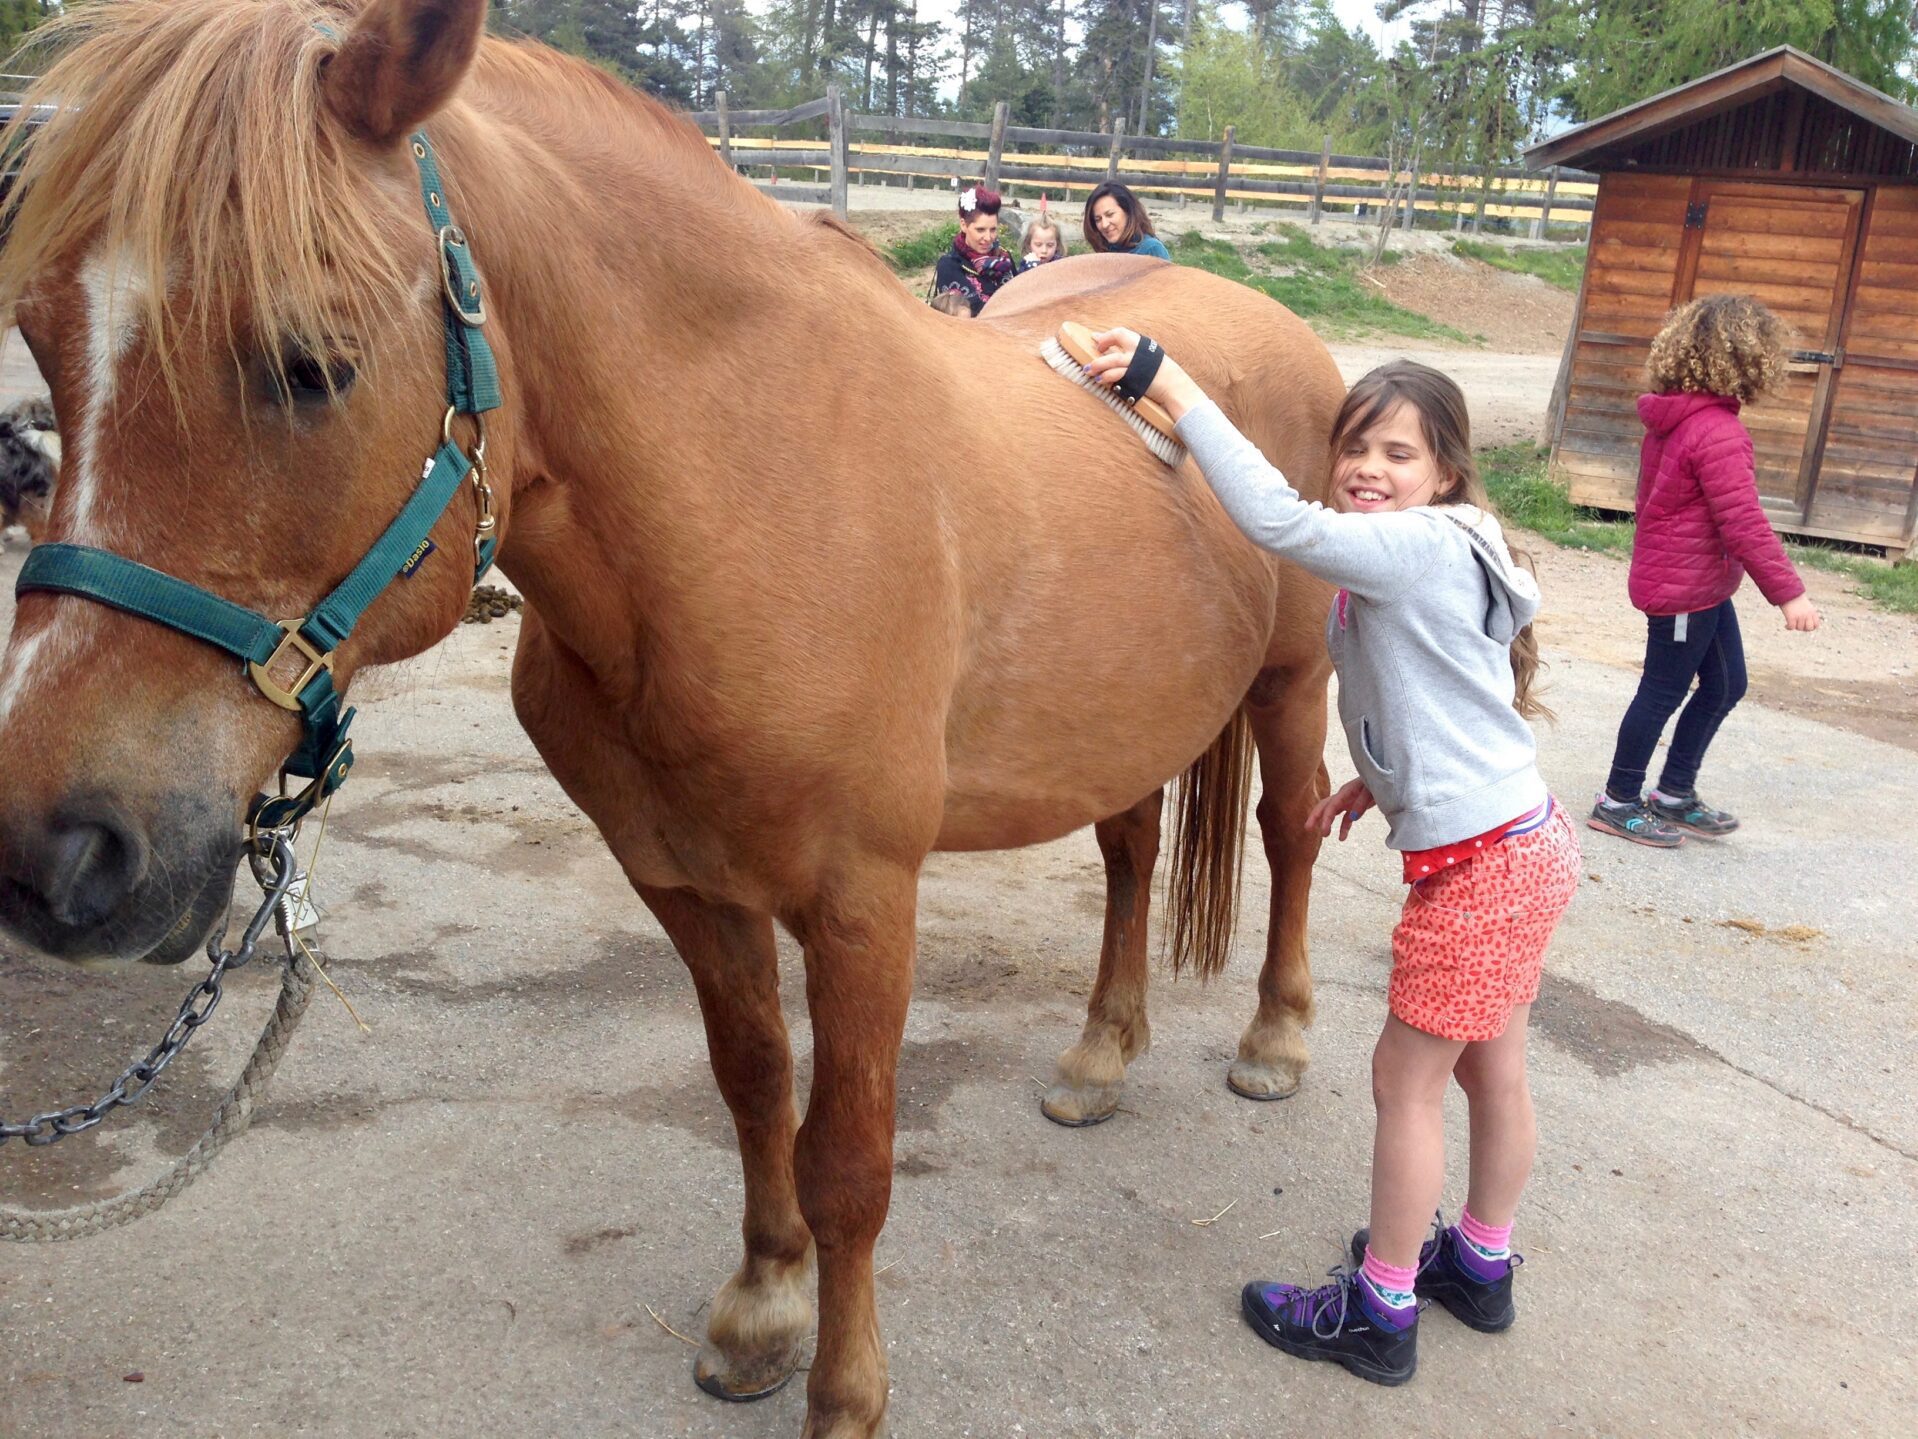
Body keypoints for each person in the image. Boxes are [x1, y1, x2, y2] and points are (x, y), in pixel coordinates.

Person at [1083, 336, 1579, 1387]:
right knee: (1492, 1069)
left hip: (1481, 868)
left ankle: (1380, 1305)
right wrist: (1386, 779)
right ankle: (1479, 1265)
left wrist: (1166, 384)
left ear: (1444, 470)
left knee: (1404, 1082)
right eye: (1354, 445)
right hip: (1521, 840)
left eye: (1397, 452)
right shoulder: (1452, 538)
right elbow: (1448, 691)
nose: (1366, 468)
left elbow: (1275, 521)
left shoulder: (1412, 543)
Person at [1589, 294, 1820, 848]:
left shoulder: (1680, 419)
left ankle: (1673, 793)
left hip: (1700, 582)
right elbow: (1744, 524)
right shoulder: (1716, 432)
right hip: (1684, 589)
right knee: (1662, 691)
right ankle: (1618, 801)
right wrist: (1789, 595)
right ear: (1745, 359)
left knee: (1725, 684)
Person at [931, 185, 1021, 316]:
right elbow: (973, 312)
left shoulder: (1004, 257)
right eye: (980, 230)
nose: (988, 238)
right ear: (963, 225)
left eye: (993, 229)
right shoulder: (949, 265)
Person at [1082, 182, 1169, 260]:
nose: (1104, 225)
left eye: (1110, 214)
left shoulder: (1151, 249)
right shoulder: (1106, 252)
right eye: (1098, 219)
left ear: (1128, 211)